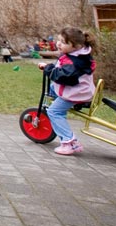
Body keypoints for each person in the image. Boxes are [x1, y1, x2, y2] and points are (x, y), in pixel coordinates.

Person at [37, 26, 97, 156]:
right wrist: (50, 67)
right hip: (81, 90)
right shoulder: (79, 54)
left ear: (76, 46)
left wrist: (48, 69)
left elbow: (62, 76)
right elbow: (62, 67)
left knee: (54, 112)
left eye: (63, 42)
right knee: (52, 88)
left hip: (75, 93)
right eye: (59, 40)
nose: (59, 44)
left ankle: (69, 142)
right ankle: (59, 111)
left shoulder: (74, 61)